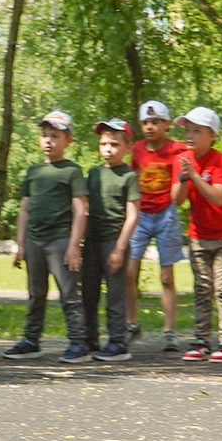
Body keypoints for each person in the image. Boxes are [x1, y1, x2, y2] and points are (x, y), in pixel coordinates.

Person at [7, 112, 90, 363]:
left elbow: (81, 209)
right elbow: (24, 209)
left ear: (68, 141)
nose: (48, 140)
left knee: (69, 294)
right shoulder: (33, 171)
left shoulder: (72, 171)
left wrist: (74, 245)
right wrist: (20, 244)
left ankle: (78, 342)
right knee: (35, 293)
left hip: (60, 240)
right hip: (34, 240)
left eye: (55, 136)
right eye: (44, 135)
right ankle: (31, 341)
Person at [178, 107, 222, 362]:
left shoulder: (220, 161)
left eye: (197, 131)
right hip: (199, 234)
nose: (190, 135)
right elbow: (177, 200)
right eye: (187, 130)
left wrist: (194, 175)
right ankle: (201, 340)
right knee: (202, 288)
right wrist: (184, 178)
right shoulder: (182, 159)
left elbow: (218, 197)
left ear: (212, 135)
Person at [124, 99, 190, 353]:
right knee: (129, 272)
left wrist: (183, 177)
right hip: (141, 213)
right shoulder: (137, 149)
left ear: (166, 125)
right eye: (145, 123)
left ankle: (169, 331)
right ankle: (132, 324)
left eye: (156, 122)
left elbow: (178, 196)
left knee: (166, 276)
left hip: (166, 214)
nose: (150, 127)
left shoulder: (178, 150)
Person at [80, 118, 140, 362]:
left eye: (114, 144)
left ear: (127, 147)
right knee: (88, 291)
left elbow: (133, 214)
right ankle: (90, 338)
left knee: (115, 294)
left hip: (114, 240)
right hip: (92, 240)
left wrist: (120, 247)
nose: (108, 148)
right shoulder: (93, 173)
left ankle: (117, 341)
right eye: (104, 143)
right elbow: (83, 208)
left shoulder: (129, 176)